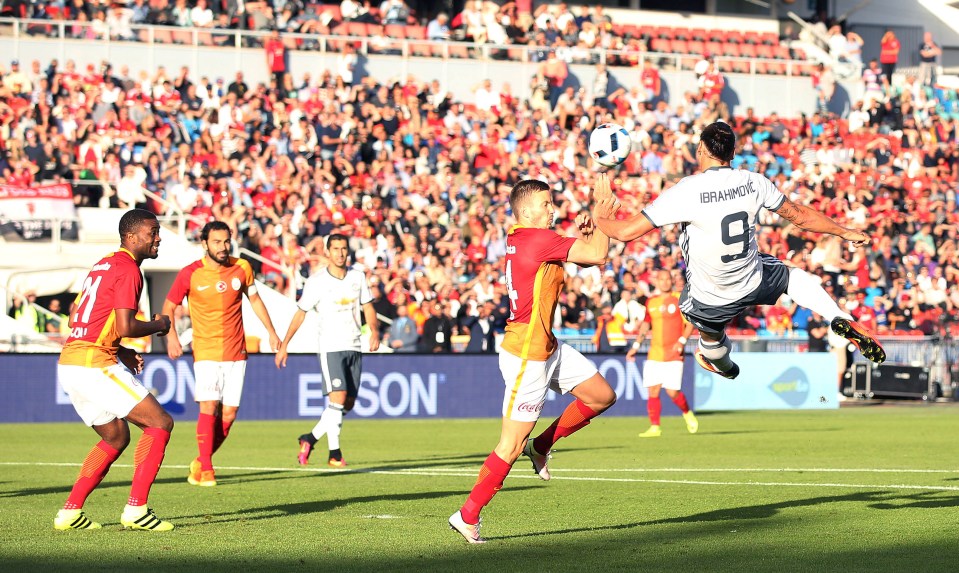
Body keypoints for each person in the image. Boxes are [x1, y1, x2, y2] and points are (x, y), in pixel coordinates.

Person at [592, 122, 886, 382]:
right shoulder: (753, 181)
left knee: (710, 340)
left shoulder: (686, 190)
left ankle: (724, 364)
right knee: (790, 276)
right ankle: (837, 314)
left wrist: (599, 214)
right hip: (752, 278)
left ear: (700, 150)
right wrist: (845, 231)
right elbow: (799, 216)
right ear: (732, 154)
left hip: (709, 294)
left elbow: (624, 233)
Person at [449, 176, 617, 544]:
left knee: (601, 396)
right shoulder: (538, 239)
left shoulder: (521, 237)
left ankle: (540, 446)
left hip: (546, 345)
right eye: (546, 203)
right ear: (526, 211)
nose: (552, 208)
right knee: (508, 445)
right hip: (527, 354)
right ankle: (467, 514)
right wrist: (602, 217)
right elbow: (598, 256)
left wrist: (589, 232)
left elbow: (582, 256)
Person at [54, 209, 174, 531]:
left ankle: (69, 512)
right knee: (159, 423)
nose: (158, 237)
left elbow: (76, 317)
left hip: (71, 362)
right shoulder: (129, 269)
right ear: (132, 237)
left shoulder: (103, 264)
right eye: (153, 232)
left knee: (116, 435)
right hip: (94, 363)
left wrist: (120, 349)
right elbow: (126, 325)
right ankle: (136, 509)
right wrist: (159, 324)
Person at [162, 221, 280, 487]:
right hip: (205, 350)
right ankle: (208, 470)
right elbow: (168, 307)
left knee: (229, 415)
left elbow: (256, 300)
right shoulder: (190, 274)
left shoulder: (242, 268)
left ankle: (200, 462)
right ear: (204, 244)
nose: (223, 247)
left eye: (226, 241)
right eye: (217, 242)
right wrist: (171, 338)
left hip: (236, 351)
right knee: (208, 406)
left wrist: (272, 332)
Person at [275, 234, 380, 467]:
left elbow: (368, 306)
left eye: (344, 249)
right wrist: (284, 345)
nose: (340, 253)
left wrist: (373, 330)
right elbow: (300, 312)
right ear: (327, 252)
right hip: (330, 346)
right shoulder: (317, 281)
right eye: (336, 249)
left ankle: (310, 438)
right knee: (338, 398)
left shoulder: (357, 277)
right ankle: (335, 453)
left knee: (347, 403)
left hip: (354, 345)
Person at [626, 269, 698, 438]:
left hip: (673, 353)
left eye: (668, 279)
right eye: (661, 279)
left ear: (671, 281)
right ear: (656, 282)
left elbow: (689, 324)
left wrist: (681, 342)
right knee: (653, 390)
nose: (665, 282)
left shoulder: (680, 299)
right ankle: (655, 427)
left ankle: (687, 413)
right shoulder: (651, 302)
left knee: (672, 392)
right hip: (655, 353)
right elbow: (645, 325)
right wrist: (636, 346)